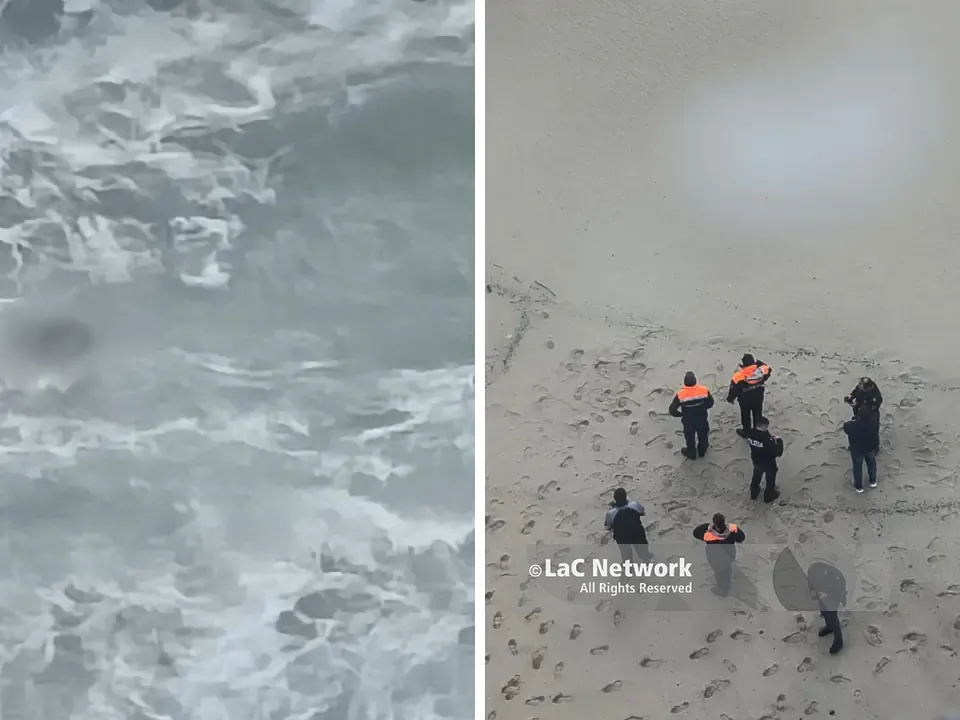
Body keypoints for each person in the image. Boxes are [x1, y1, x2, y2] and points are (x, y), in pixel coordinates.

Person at [692, 513, 745, 597]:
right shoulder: (731, 531)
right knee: (727, 570)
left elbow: (695, 533)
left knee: (719, 574)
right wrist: (734, 527)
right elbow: (741, 538)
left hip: (715, 559)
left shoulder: (708, 534)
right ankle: (726, 584)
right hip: (728, 556)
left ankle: (723, 591)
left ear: (714, 523)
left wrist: (707, 526)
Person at [668, 371, 715, 460]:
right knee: (703, 435)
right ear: (695, 381)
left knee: (690, 438)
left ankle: (691, 453)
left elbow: (672, 410)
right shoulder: (704, 390)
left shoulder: (681, 394)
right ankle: (702, 451)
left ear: (685, 383)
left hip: (688, 421)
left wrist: (681, 414)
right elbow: (711, 403)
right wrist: (704, 408)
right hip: (702, 419)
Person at [807, 561, 847, 654]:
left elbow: (841, 590)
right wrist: (814, 594)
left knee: (832, 616)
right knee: (824, 612)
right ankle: (829, 627)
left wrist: (828, 595)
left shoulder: (836, 575)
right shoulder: (812, 572)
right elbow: (811, 585)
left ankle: (838, 640)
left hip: (833, 597)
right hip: (821, 595)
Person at [726, 353, 772, 437]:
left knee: (745, 416)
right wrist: (756, 363)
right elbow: (767, 368)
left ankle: (746, 431)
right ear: (754, 362)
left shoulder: (738, 377)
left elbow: (734, 390)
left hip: (745, 401)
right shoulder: (761, 372)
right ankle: (757, 431)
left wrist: (730, 398)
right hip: (758, 398)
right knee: (758, 415)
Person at [604, 488, 654, 563]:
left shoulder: (611, 513)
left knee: (625, 553)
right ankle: (646, 558)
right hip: (637, 532)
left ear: (615, 499)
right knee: (642, 547)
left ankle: (628, 568)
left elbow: (607, 527)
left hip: (622, 537)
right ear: (626, 496)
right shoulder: (634, 505)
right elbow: (642, 512)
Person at [843, 404, 880, 493]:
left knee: (857, 467)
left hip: (857, 450)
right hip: (870, 448)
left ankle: (859, 487)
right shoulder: (873, 423)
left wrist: (853, 419)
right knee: (871, 464)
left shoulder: (854, 425)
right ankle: (873, 481)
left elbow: (846, 427)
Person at [745, 416, 783, 503]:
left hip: (756, 460)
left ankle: (754, 493)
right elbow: (778, 453)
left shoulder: (750, 433)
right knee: (770, 478)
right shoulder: (767, 440)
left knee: (756, 476)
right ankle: (769, 495)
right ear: (763, 426)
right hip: (768, 462)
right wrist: (779, 442)